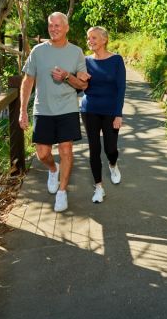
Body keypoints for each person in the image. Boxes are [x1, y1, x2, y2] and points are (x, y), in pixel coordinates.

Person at [19, 12, 90, 212]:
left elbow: (83, 85)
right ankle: (53, 168)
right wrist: (22, 110)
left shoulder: (76, 52)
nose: (54, 29)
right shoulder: (38, 51)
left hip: (67, 108)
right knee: (42, 154)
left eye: (58, 25)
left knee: (66, 149)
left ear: (66, 28)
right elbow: (28, 82)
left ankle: (62, 192)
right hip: (43, 109)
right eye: (51, 25)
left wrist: (67, 76)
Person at [81, 26, 126, 203]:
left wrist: (118, 114)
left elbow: (121, 88)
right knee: (94, 149)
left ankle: (113, 164)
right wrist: (78, 79)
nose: (90, 41)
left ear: (104, 39)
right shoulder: (85, 61)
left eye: (93, 38)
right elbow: (79, 86)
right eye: (88, 38)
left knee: (110, 148)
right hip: (89, 109)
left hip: (110, 111)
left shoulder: (116, 60)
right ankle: (98, 187)